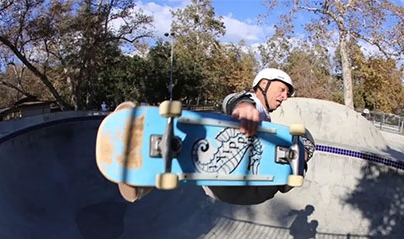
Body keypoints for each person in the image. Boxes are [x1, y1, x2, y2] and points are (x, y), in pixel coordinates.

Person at [118, 68, 315, 205]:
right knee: (201, 137)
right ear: (264, 84)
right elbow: (230, 100)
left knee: (299, 146)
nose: (284, 97)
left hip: (242, 188)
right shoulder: (252, 102)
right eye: (282, 90)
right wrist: (243, 105)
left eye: (287, 94)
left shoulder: (268, 121)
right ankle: (143, 178)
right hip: (225, 183)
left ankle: (293, 168)